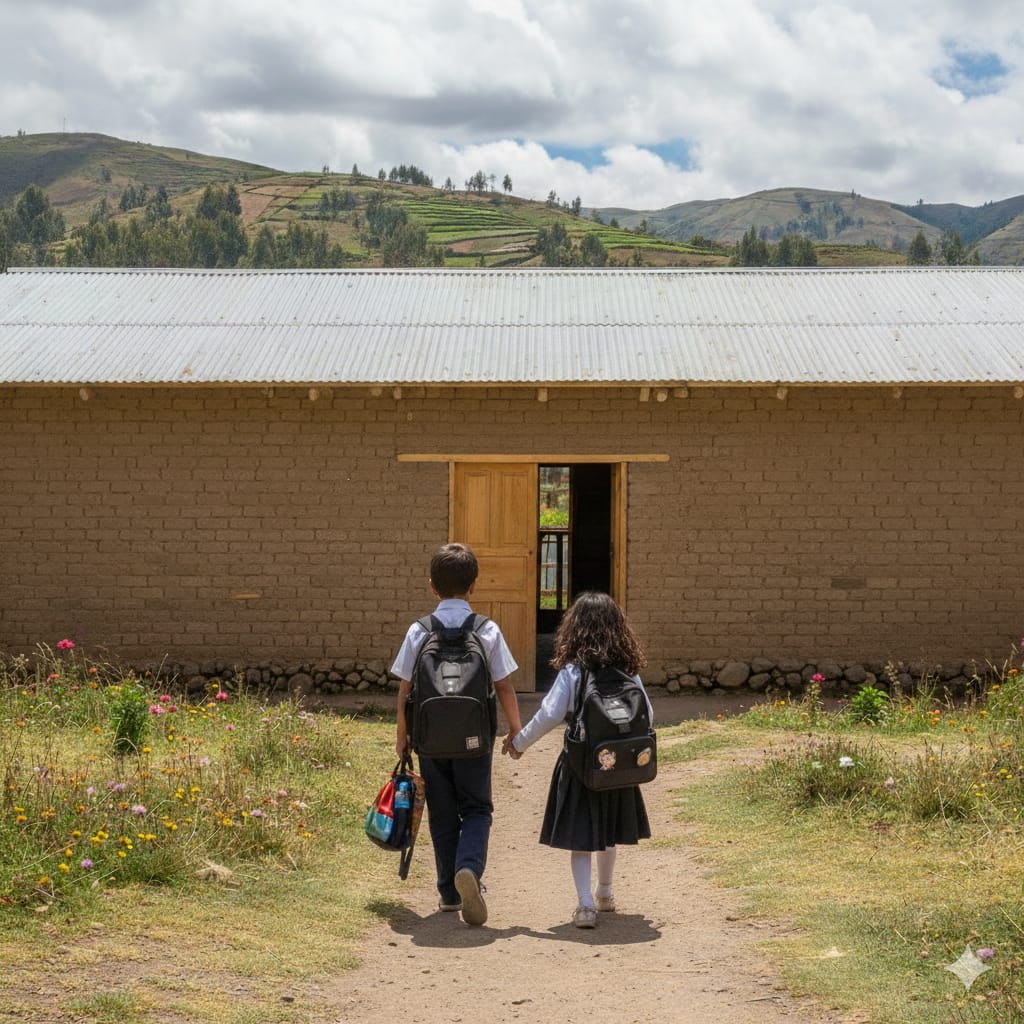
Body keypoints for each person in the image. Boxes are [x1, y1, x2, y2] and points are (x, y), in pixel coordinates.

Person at [503, 591, 652, 929]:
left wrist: (520, 742)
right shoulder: (628, 670)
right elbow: (649, 714)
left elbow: (550, 713)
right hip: (618, 765)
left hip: (580, 765)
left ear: (575, 629)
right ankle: (605, 892)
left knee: (582, 835)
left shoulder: (574, 672)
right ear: (618, 628)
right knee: (609, 831)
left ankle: (585, 905)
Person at [392, 542, 521, 926]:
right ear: (473, 586)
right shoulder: (487, 630)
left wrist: (403, 735)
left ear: (432, 586)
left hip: (430, 739)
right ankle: (469, 868)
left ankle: (449, 893)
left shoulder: (419, 631)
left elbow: (404, 691)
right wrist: (516, 730)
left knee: (442, 813)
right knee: (477, 808)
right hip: (474, 739)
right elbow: (504, 686)